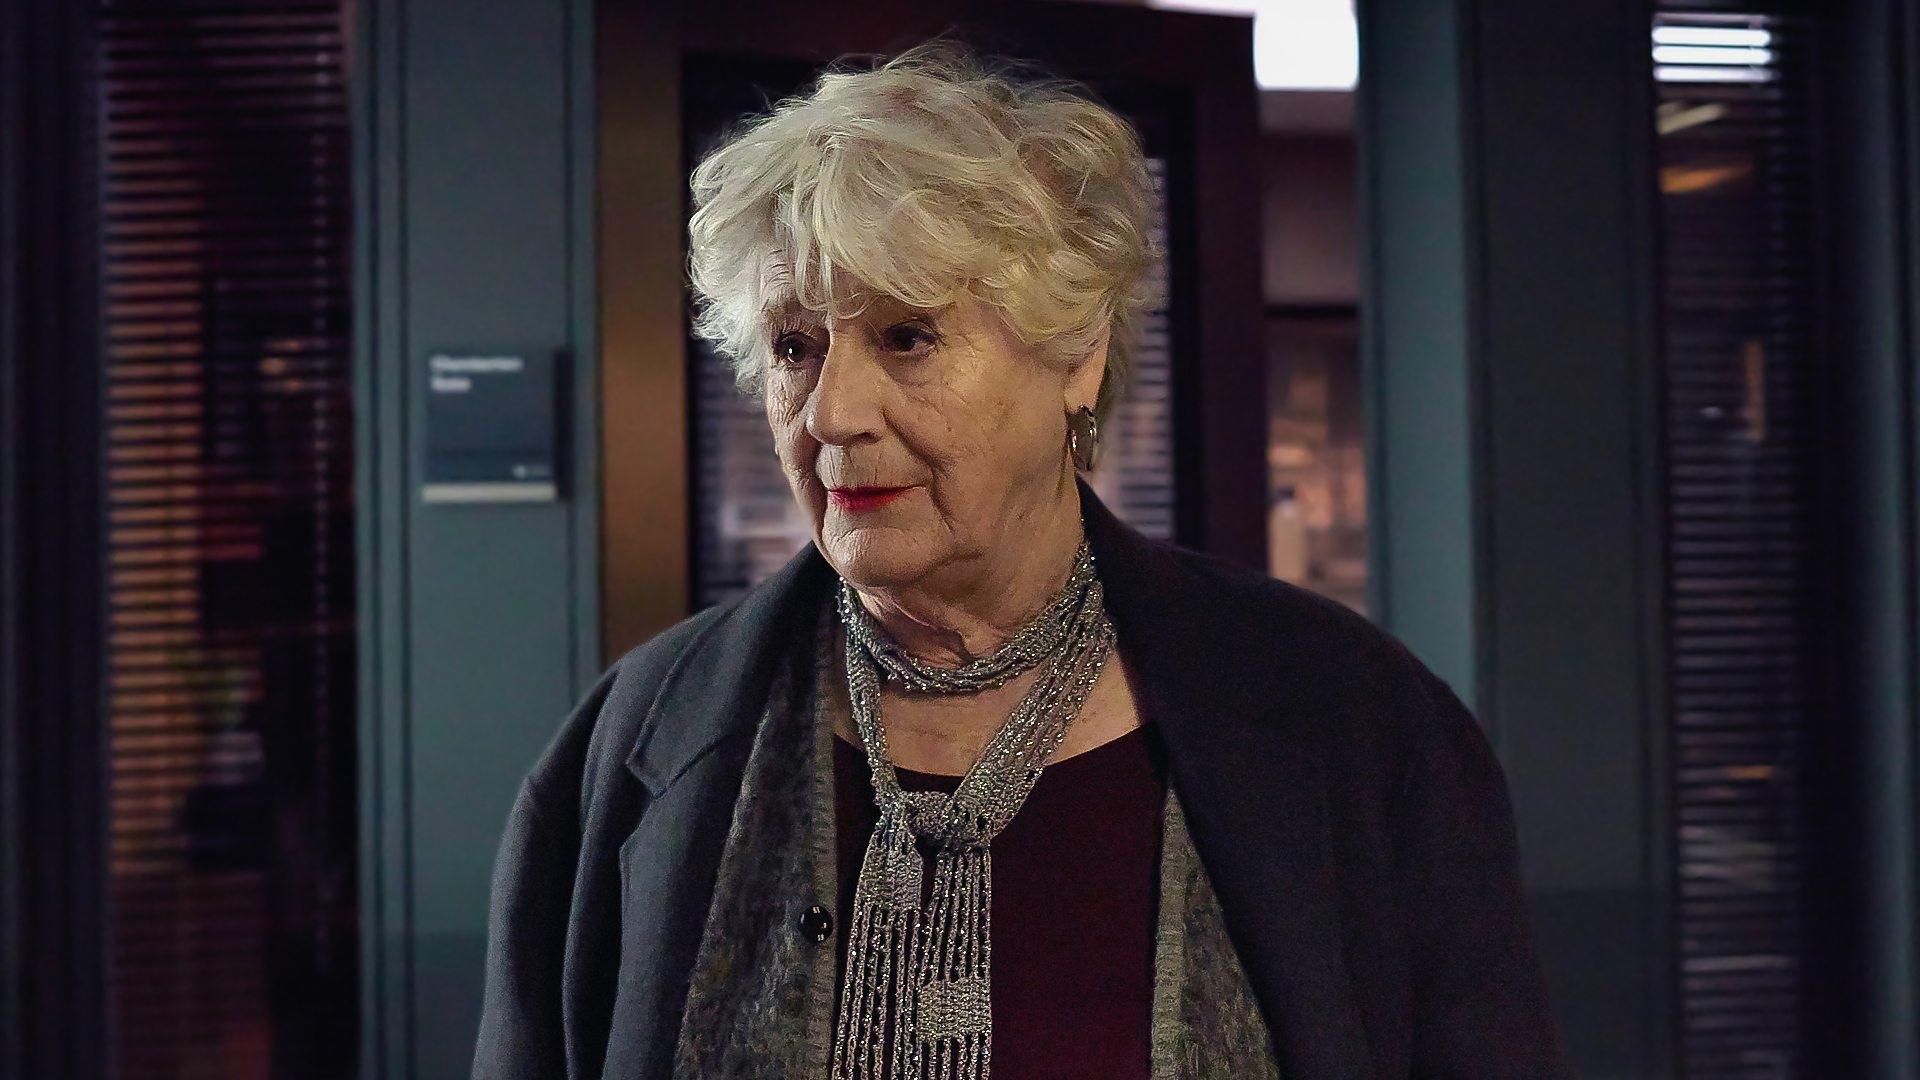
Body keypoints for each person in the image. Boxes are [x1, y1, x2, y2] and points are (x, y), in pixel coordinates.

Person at [473, 36, 1568, 1080]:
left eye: (907, 336)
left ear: (1076, 355)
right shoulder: (636, 744)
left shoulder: (1355, 723)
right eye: (795, 348)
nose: (833, 412)